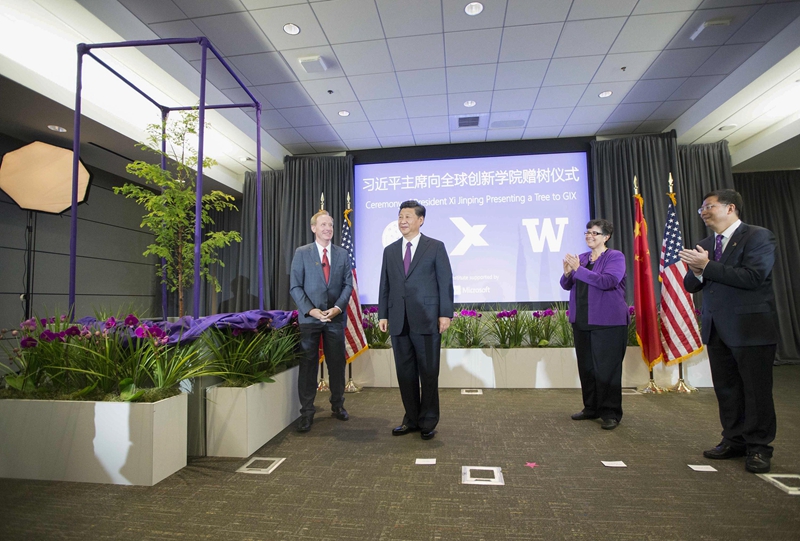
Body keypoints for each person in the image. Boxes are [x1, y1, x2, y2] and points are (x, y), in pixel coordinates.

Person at [679, 189, 778, 474]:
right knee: (727, 390)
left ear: (730, 207)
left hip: (750, 329)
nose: (703, 212)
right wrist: (698, 270)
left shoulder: (758, 236)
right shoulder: (705, 244)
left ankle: (759, 447)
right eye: (701, 209)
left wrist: (707, 266)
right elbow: (691, 285)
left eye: (708, 207)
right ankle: (733, 439)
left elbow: (754, 276)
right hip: (717, 328)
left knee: (756, 391)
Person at [378, 200, 454, 440]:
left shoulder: (435, 247)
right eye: (400, 216)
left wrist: (445, 313)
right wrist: (383, 314)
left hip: (427, 319)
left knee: (429, 372)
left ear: (420, 220)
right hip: (399, 320)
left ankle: (428, 421)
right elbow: (385, 284)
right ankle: (410, 419)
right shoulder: (390, 250)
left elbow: (445, 283)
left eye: (408, 216)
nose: (403, 221)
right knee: (405, 373)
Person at [560, 219, 629, 431]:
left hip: (608, 322)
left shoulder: (615, 256)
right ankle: (591, 407)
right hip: (582, 319)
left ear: (606, 237)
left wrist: (578, 269)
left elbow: (608, 281)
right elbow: (565, 285)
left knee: (607, 369)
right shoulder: (581, 258)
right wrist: (568, 272)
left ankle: (610, 413)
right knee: (587, 367)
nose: (590, 236)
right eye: (587, 232)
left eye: (595, 233)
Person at [289, 210, 353, 433]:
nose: (328, 229)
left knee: (337, 364)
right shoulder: (302, 253)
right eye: (323, 225)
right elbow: (295, 286)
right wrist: (311, 311)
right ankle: (307, 413)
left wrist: (336, 309)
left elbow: (348, 286)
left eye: (331, 225)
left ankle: (338, 405)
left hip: (335, 319)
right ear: (313, 228)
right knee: (308, 367)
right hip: (310, 320)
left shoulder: (342, 254)